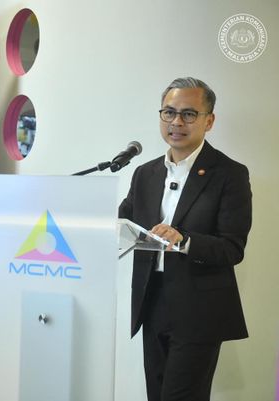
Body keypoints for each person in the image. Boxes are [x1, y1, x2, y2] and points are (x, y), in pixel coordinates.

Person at [118, 77, 252, 401]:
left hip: (198, 310)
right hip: (151, 301)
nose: (176, 122)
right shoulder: (145, 173)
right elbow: (123, 221)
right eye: (169, 112)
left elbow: (233, 248)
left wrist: (184, 239)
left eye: (189, 114)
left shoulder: (229, 174)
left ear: (209, 121)